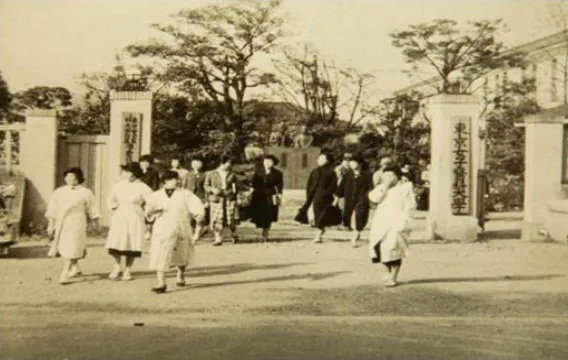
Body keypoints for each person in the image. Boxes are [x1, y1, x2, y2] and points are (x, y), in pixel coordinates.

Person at [145, 170, 206, 294]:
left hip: (181, 225)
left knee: (182, 252)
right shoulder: (156, 195)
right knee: (160, 253)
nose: (176, 181)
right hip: (163, 227)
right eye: (172, 179)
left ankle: (180, 274)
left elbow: (196, 204)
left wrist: (199, 214)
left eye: (176, 179)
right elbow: (148, 210)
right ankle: (161, 283)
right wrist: (153, 212)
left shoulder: (185, 194)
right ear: (165, 181)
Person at [46, 167, 100, 285]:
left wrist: (95, 222)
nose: (70, 179)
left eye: (73, 177)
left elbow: (92, 208)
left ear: (79, 178)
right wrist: (51, 224)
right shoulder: (59, 191)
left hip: (77, 222)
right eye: (67, 177)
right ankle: (75, 267)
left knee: (73, 245)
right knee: (65, 246)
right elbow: (52, 209)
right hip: (61, 222)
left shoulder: (85, 192)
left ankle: (65, 272)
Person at [368, 165, 417, 287]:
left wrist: (405, 222)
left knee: (393, 249)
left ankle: (393, 276)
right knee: (378, 248)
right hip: (381, 223)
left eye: (391, 175)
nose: (388, 178)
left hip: (396, 223)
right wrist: (384, 186)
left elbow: (410, 206)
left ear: (397, 176)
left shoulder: (405, 187)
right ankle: (387, 272)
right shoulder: (381, 188)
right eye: (386, 175)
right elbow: (374, 198)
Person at [105, 162, 153, 281]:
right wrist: (115, 208)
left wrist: (147, 212)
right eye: (125, 171)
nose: (125, 174)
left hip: (135, 215)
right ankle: (116, 267)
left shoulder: (143, 187)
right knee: (117, 240)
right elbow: (110, 198)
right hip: (120, 214)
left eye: (128, 171)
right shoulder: (118, 185)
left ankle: (127, 270)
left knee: (132, 242)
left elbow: (152, 201)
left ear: (135, 173)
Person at [336, 155, 374, 247]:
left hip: (362, 199)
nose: (351, 163)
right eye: (350, 162)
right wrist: (337, 198)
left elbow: (371, 188)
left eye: (353, 162)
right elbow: (341, 188)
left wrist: (370, 197)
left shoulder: (368, 175)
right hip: (349, 199)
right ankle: (354, 230)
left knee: (360, 217)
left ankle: (355, 235)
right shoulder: (347, 175)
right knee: (347, 216)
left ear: (360, 163)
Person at [204, 155, 239, 246]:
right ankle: (218, 238)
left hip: (229, 198)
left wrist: (234, 195)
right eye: (228, 163)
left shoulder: (232, 174)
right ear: (222, 163)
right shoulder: (211, 173)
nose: (229, 165)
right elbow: (206, 186)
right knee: (216, 218)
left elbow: (235, 187)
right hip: (216, 199)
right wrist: (212, 189)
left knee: (230, 217)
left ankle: (234, 234)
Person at [304, 152, 338, 243]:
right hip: (314, 196)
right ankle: (320, 230)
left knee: (321, 215)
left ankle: (318, 235)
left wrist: (326, 194)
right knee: (317, 215)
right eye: (319, 158)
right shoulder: (314, 171)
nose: (320, 160)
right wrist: (308, 196)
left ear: (328, 161)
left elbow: (333, 186)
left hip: (325, 198)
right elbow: (309, 184)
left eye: (323, 159)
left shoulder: (331, 172)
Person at [249, 154, 284, 242]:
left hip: (270, 196)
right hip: (259, 196)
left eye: (270, 162)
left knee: (269, 215)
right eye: (266, 161)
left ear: (274, 163)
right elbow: (253, 183)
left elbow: (280, 185)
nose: (268, 163)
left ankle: (265, 234)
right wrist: (250, 192)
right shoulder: (258, 171)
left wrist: (279, 194)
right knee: (259, 214)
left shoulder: (277, 173)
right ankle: (260, 232)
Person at [183, 156, 208, 241]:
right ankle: (189, 234)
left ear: (201, 165)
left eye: (198, 163)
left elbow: (206, 188)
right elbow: (183, 187)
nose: (196, 165)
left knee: (199, 217)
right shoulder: (187, 174)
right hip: (188, 198)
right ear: (191, 165)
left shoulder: (204, 175)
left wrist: (206, 200)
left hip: (200, 198)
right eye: (194, 163)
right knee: (188, 218)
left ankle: (197, 234)